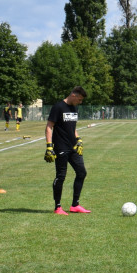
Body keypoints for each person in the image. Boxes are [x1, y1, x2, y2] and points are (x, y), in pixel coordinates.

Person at [45, 87, 89, 215]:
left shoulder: (74, 108)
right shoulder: (58, 107)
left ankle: (75, 205)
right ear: (73, 95)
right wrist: (49, 146)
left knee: (81, 172)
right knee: (61, 176)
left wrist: (79, 139)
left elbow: (72, 127)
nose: (80, 102)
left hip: (73, 147)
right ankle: (57, 207)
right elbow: (49, 126)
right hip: (61, 147)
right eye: (79, 99)